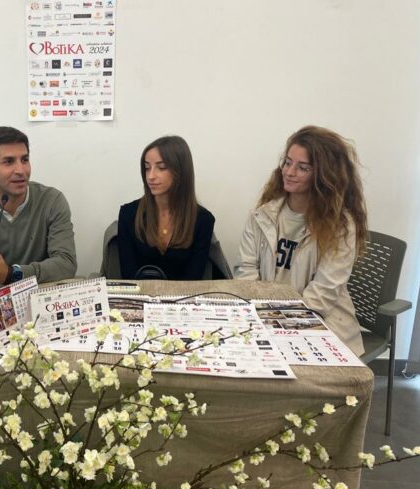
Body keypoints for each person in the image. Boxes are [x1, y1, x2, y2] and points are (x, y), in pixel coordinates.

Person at [234, 125, 368, 355]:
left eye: (303, 168)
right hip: (265, 319)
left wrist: (276, 325)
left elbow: (320, 297)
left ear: (324, 176)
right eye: (287, 163)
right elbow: (246, 273)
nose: (289, 172)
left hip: (323, 325)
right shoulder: (261, 215)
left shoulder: (340, 226)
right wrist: (263, 320)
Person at [0, 126, 77, 288]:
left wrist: (13, 274)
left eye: (24, 160)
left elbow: (66, 263)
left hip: (37, 295)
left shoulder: (52, 200)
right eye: (9, 162)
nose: (21, 170)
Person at [117, 135, 215, 280]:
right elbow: (129, 276)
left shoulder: (203, 220)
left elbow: (193, 279)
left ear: (180, 171)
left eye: (161, 167)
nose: (150, 176)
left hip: (184, 294)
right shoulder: (128, 214)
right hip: (139, 293)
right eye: (147, 168)